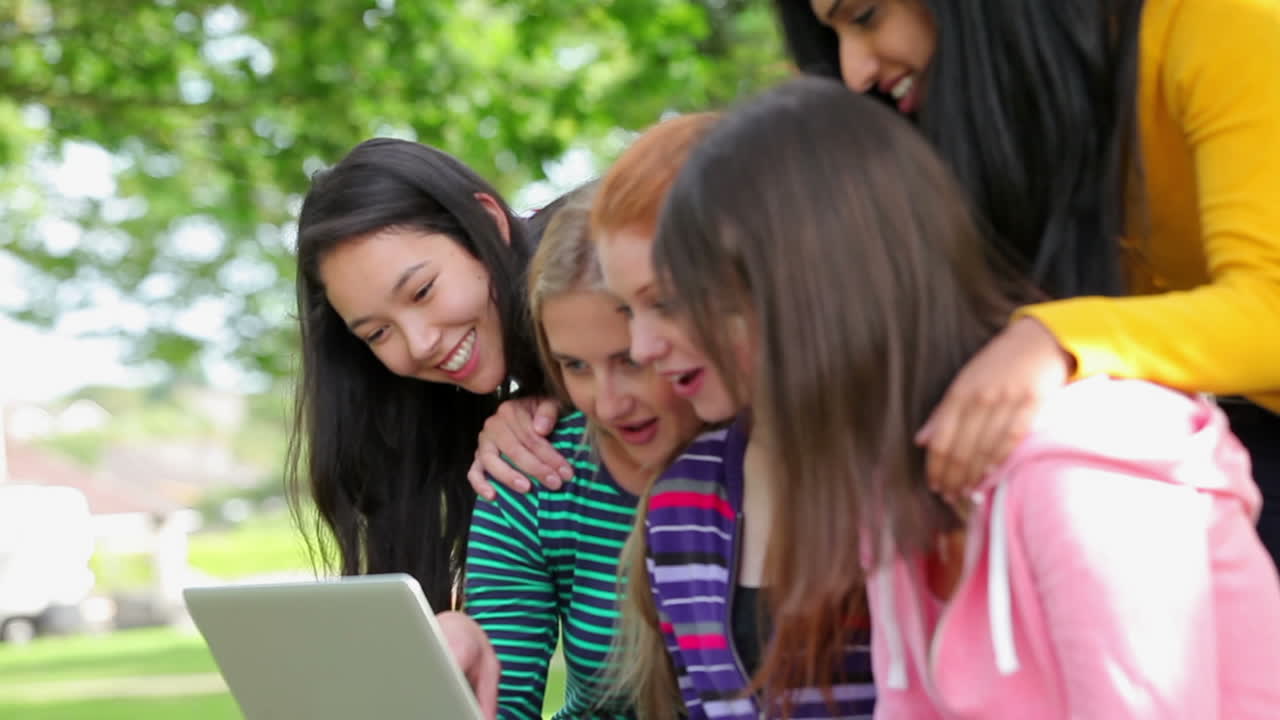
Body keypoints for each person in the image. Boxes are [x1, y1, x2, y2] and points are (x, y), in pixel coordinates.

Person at [651, 76, 1280, 718]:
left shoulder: (1075, 473)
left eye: (709, 306)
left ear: (819, 293)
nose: (654, 346)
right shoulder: (900, 487)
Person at [772, 0, 1280, 568]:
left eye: (865, 16)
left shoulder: (1227, 20)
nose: (855, 71)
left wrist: (1052, 341)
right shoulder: (1035, 111)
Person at [595, 112, 877, 719]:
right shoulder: (680, 505)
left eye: (664, 303)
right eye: (627, 311)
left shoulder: (916, 474)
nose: (643, 348)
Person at [461, 184, 702, 719]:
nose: (608, 405)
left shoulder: (765, 461)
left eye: (630, 361)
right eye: (575, 367)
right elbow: (501, 706)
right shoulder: (532, 474)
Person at [284, 137, 549, 613]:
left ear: (486, 222)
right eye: (379, 332)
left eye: (422, 290)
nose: (420, 343)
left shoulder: (600, 257)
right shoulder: (506, 437)